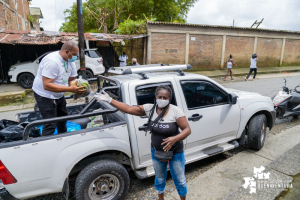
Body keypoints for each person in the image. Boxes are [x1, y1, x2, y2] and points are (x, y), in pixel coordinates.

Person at [94, 85, 191, 200]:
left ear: (169, 99)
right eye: (160, 96)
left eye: (165, 97)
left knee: (179, 180)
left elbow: (187, 129)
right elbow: (129, 109)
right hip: (156, 151)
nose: (162, 99)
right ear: (156, 96)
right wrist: (110, 100)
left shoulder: (175, 111)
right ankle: (161, 198)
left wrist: (175, 139)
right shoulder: (149, 109)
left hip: (175, 152)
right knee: (160, 178)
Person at [32, 41, 86, 136]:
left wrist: (77, 86)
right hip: (44, 94)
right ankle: (46, 145)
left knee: (63, 117)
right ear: (66, 51)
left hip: (59, 92)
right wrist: (70, 89)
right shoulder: (52, 62)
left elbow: (71, 79)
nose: (75, 57)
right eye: (74, 54)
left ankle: (63, 138)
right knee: (50, 123)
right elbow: (47, 85)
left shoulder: (70, 61)